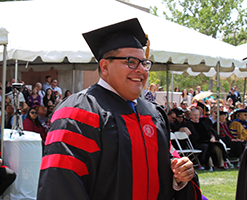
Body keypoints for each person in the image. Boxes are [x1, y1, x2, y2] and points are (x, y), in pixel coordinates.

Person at [37, 18, 201, 200]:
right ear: (105, 67)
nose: (141, 70)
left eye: (144, 63)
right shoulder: (78, 113)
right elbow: (61, 184)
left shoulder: (154, 114)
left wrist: (180, 175)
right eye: (131, 61)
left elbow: (168, 163)